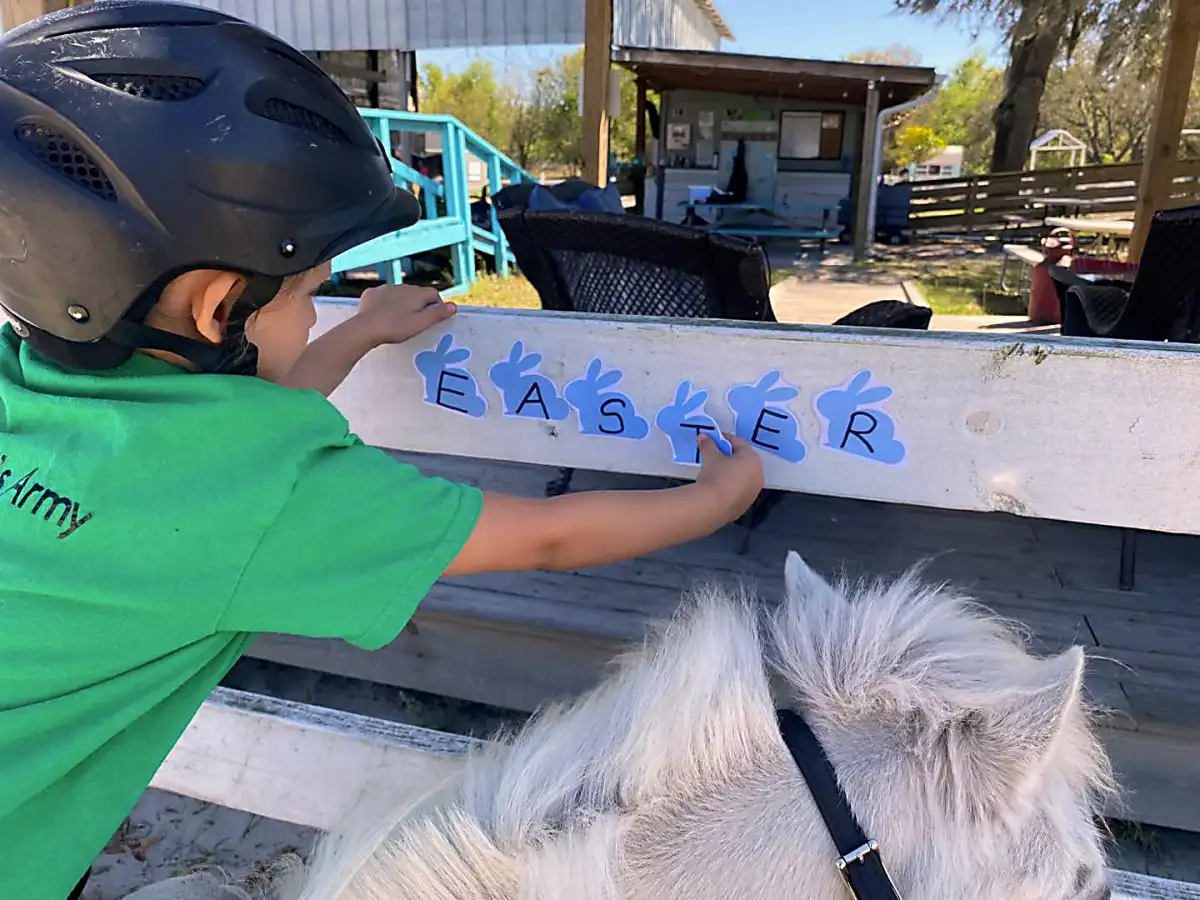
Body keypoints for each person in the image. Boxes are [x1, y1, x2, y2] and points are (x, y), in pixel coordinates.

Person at [0, 4, 765, 899]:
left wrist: (356, 333)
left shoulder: (25, 389)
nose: (315, 311)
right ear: (216, 308)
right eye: (309, 294)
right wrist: (712, 501)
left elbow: (219, 457)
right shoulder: (269, 503)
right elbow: (546, 537)